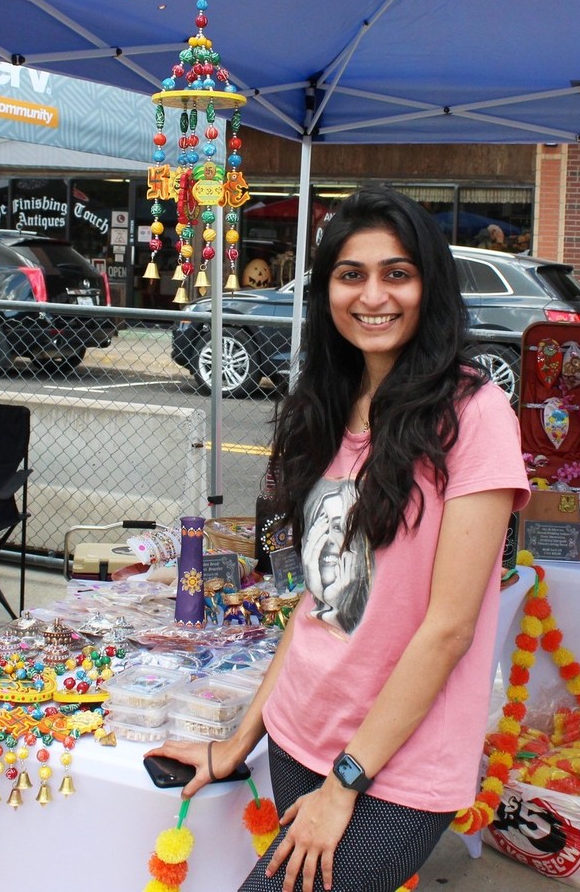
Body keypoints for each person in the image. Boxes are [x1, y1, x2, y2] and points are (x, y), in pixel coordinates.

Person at [147, 186, 529, 892]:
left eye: (398, 273)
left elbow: (449, 628)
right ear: (325, 290)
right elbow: (318, 604)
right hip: (299, 731)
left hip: (393, 769)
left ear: (429, 286)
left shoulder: (474, 412)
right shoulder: (327, 403)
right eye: (351, 275)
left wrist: (346, 782)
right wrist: (241, 739)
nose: (373, 295)